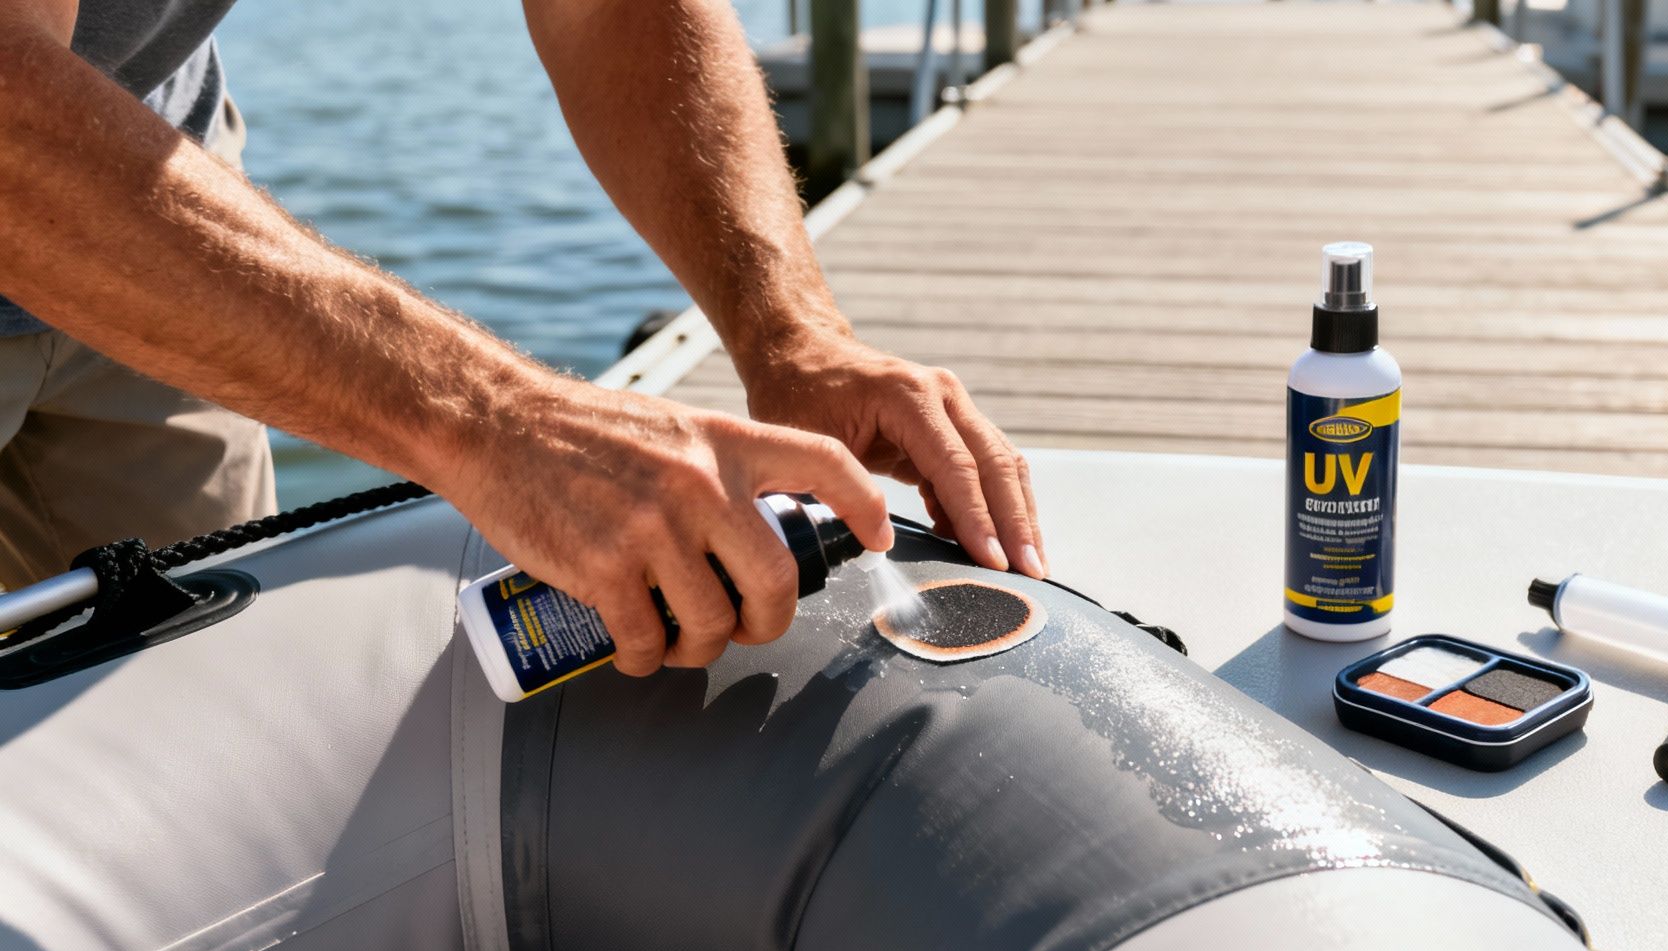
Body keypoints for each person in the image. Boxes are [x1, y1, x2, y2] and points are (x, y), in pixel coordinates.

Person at [0, 0, 1045, 674]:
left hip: (151, 165)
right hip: (39, 150)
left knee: (193, 701)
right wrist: (498, 421)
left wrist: (791, 333)